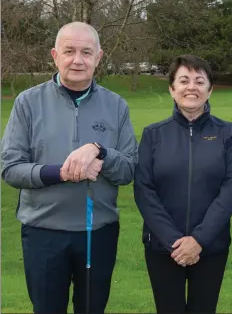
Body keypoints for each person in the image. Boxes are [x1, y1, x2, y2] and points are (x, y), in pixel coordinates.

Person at [1, 21, 138, 313]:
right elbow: (10, 168)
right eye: (69, 51)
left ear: (99, 57)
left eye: (87, 52)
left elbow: (128, 170)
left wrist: (101, 154)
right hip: (43, 234)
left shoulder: (116, 106)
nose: (78, 60)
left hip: (97, 233)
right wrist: (60, 173)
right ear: (54, 55)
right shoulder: (28, 102)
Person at [133, 54, 232, 314]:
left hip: (210, 247)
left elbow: (231, 188)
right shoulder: (153, 134)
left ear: (210, 89)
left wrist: (199, 239)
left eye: (199, 81)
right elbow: (144, 189)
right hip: (163, 247)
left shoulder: (227, 132)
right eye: (183, 80)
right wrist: (175, 242)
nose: (191, 87)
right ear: (172, 89)